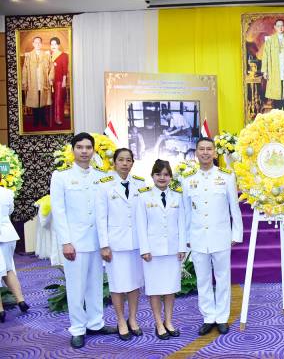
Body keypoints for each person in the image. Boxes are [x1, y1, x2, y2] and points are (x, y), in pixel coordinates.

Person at [50, 132, 117, 349]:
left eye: (89, 147)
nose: (85, 151)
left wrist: (107, 241)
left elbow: (105, 210)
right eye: (80, 147)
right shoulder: (61, 177)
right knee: (76, 286)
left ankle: (95, 323)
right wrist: (66, 241)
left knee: (96, 284)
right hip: (75, 243)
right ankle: (78, 328)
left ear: (94, 150)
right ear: (73, 150)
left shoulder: (101, 176)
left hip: (97, 241)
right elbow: (59, 212)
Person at [182, 138, 243, 336]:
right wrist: (186, 238)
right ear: (196, 153)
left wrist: (237, 233)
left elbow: (235, 207)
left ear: (215, 153)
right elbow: (186, 212)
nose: (206, 153)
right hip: (198, 237)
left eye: (209, 149)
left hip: (221, 236)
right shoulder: (188, 178)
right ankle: (209, 317)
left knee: (223, 278)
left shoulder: (226, 176)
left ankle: (222, 318)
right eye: (202, 149)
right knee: (203, 280)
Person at [96, 148, 145, 341]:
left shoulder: (140, 184)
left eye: (129, 160)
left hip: (136, 244)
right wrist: (104, 245)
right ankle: (120, 320)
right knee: (117, 285)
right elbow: (101, 218)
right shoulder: (104, 185)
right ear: (114, 163)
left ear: (133, 163)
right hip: (115, 245)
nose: (125, 163)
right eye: (121, 160)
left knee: (134, 283)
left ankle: (132, 319)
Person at [136, 159, 186, 340]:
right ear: (152, 176)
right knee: (155, 289)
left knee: (170, 288)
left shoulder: (177, 196)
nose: (162, 178)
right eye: (158, 174)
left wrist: (182, 247)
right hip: (152, 253)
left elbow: (182, 224)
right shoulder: (143, 196)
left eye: (165, 174)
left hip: (173, 251)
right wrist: (144, 249)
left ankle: (169, 321)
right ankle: (159, 323)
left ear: (171, 177)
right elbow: (141, 225)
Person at [0, 181, 30, 323]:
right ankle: (21, 301)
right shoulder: (7, 193)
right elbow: (10, 211)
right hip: (8, 234)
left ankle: (0, 311)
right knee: (8, 268)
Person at [21, 36, 53, 127]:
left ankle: (43, 120)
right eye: (36, 42)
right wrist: (25, 82)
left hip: (43, 82)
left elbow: (51, 68)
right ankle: (35, 120)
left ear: (41, 44)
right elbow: (25, 70)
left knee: (42, 102)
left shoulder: (46, 55)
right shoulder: (29, 56)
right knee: (34, 102)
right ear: (33, 44)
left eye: (39, 42)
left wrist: (50, 78)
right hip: (33, 83)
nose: (37, 44)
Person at [49, 37, 68, 126]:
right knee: (52, 100)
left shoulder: (63, 55)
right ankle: (53, 118)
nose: (53, 46)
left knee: (58, 100)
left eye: (55, 44)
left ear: (58, 45)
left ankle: (58, 118)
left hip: (59, 81)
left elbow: (65, 69)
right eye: (52, 44)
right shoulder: (49, 55)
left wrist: (64, 80)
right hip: (50, 82)